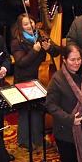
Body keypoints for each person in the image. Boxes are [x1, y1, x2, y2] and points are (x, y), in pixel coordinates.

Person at [10, 13, 59, 148]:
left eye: (31, 22)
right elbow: (21, 62)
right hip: (24, 79)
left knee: (38, 110)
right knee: (25, 111)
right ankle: (25, 140)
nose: (29, 26)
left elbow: (57, 51)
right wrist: (34, 51)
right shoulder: (17, 41)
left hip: (39, 77)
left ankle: (38, 139)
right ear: (20, 27)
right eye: (25, 24)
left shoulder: (41, 34)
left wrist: (50, 48)